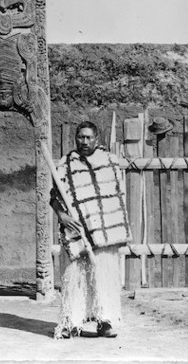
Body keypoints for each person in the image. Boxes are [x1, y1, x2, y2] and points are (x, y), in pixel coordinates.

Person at [50, 121, 131, 339]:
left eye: (89, 137)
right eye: (80, 137)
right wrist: (64, 216)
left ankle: (105, 321)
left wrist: (105, 225)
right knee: (74, 278)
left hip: (103, 231)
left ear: (97, 139)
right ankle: (70, 322)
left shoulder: (109, 163)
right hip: (76, 231)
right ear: (75, 138)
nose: (84, 141)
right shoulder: (65, 165)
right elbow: (54, 198)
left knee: (103, 276)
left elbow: (115, 199)